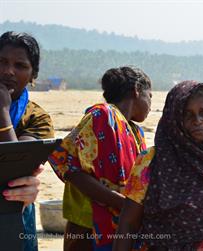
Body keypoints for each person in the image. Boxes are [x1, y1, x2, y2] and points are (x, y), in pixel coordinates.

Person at [113, 80, 203, 251]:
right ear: (174, 118)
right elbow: (128, 224)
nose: (197, 121)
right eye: (188, 114)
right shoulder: (151, 161)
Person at [48, 65, 152, 251]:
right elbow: (71, 169)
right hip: (87, 226)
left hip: (121, 226)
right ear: (136, 90)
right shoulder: (102, 116)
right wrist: (122, 203)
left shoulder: (136, 132)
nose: (151, 104)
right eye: (149, 96)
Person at [0, 31, 54, 251]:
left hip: (13, 214)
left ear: (33, 76)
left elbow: (14, 168)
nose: (8, 71)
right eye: (1, 62)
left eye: (20, 65)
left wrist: (2, 112)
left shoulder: (37, 118)